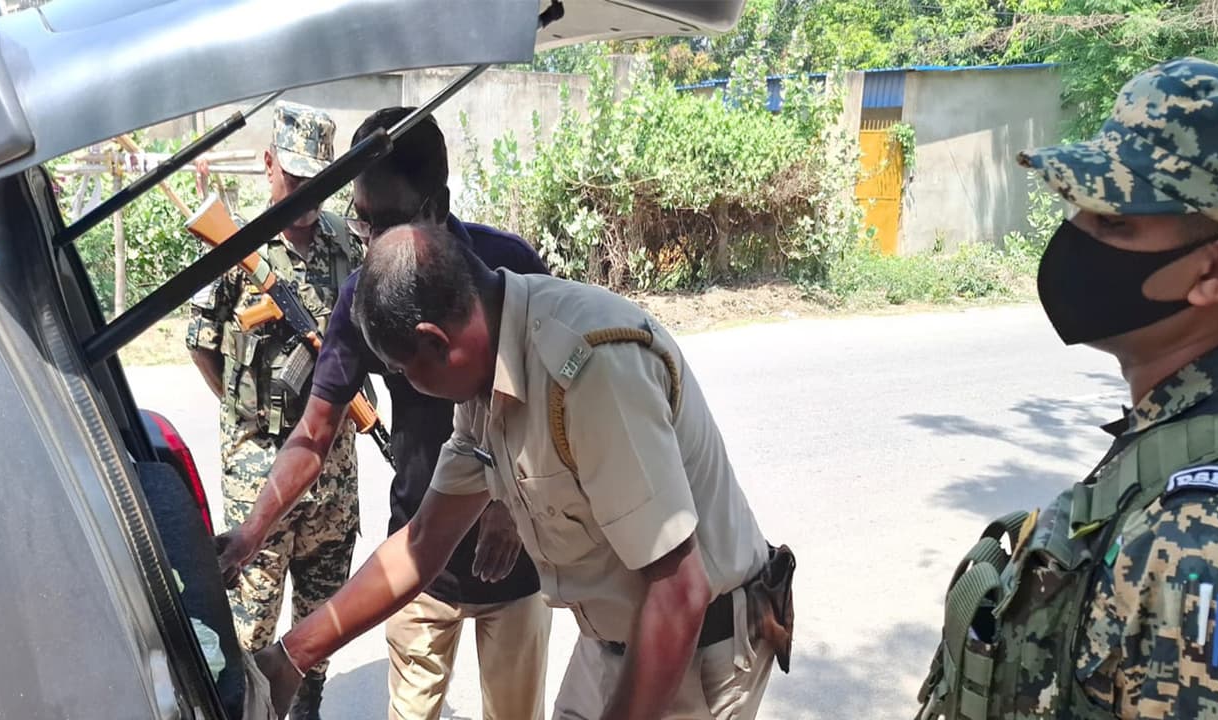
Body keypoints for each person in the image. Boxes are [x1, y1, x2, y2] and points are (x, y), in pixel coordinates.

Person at [243, 222, 796, 720]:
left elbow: (680, 591)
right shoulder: (486, 373)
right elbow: (423, 544)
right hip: (617, 638)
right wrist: (292, 655)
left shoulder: (590, 370)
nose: (408, 387)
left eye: (403, 372)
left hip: (699, 648)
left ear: (437, 341)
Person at [215, 107, 553, 720]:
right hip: (417, 562)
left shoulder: (511, 273)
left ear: (437, 204)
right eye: (362, 220)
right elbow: (314, 433)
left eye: (387, 221)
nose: (368, 243)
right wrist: (253, 528)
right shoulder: (361, 298)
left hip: (517, 561)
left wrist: (507, 502)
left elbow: (549, 412)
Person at [916, 57, 1218, 719]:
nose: (1074, 242)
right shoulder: (1172, 440)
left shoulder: (1200, 535)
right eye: (1078, 207)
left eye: (1114, 223)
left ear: (1212, 270)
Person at [187, 100, 363, 720]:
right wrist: (250, 419)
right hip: (260, 473)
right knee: (249, 638)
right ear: (268, 164)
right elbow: (202, 346)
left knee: (317, 631)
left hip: (333, 476)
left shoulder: (349, 245)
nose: (305, 192)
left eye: (318, 179)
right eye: (294, 177)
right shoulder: (237, 248)